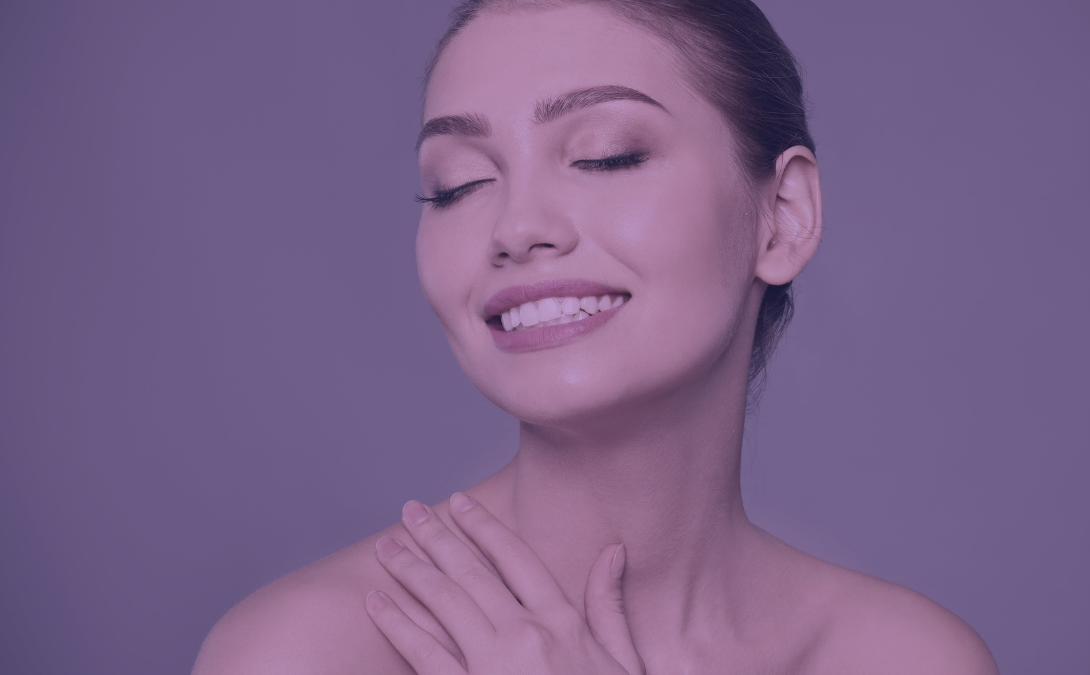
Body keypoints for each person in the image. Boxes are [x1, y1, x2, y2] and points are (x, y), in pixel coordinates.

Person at [192, 1, 998, 673]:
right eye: (459, 183)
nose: (516, 227)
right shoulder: (307, 651)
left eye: (605, 157)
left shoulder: (905, 658)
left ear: (782, 217)